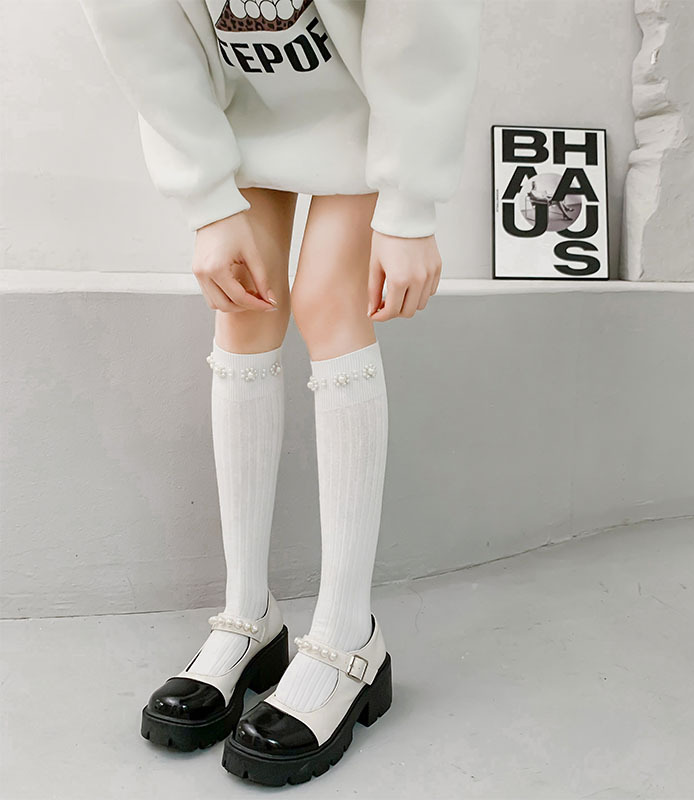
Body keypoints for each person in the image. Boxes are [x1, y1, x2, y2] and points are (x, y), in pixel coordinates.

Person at [77, 0, 483, 786]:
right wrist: (207, 200)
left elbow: (423, 21)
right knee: (243, 308)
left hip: (371, 107)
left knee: (330, 303)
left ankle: (348, 635)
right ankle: (248, 616)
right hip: (241, 115)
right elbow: (140, 32)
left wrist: (409, 203)